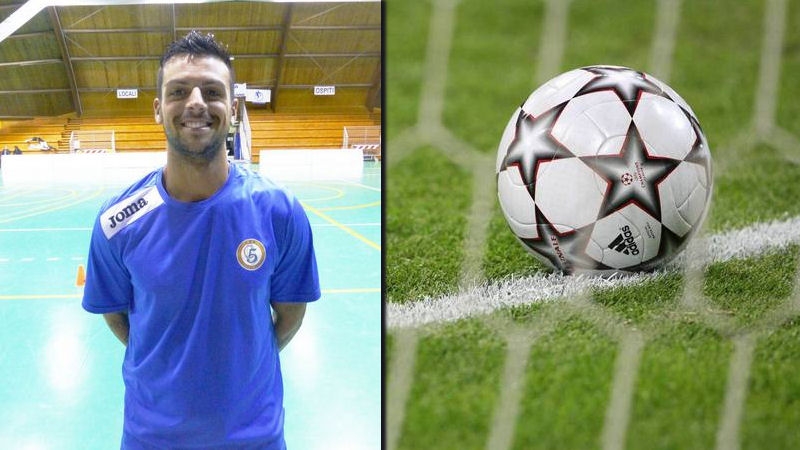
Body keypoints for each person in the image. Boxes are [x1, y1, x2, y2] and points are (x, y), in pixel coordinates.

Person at [82, 31, 320, 450]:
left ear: (232, 108)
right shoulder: (117, 221)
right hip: (151, 438)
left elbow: (290, 315)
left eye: (212, 91)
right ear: (158, 109)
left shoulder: (279, 210)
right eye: (178, 91)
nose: (196, 103)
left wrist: (242, 368)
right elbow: (117, 317)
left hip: (254, 438)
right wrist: (165, 365)